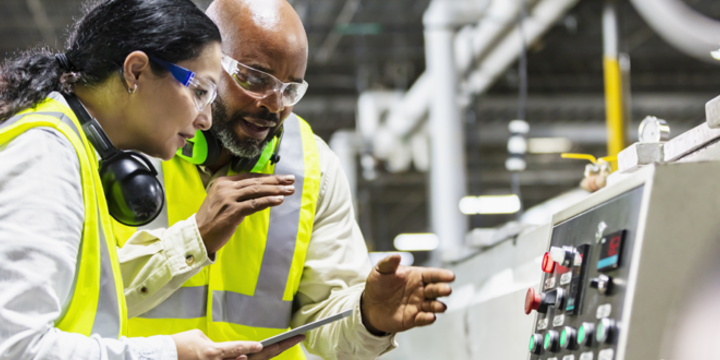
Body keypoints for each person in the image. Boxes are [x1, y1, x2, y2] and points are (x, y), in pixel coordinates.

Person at [113, 0, 456, 359]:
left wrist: (368, 317)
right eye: (256, 78)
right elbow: (82, 294)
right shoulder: (127, 143)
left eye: (290, 88)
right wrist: (194, 239)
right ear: (206, 64)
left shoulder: (313, 168)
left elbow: (326, 319)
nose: (274, 105)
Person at [0, 0, 282, 358]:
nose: (206, 120)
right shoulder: (45, 155)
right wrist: (170, 353)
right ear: (135, 72)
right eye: (200, 92)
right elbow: (16, 347)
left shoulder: (74, 151)